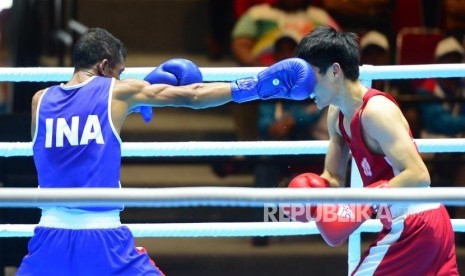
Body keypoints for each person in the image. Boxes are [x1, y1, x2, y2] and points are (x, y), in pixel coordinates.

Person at [16, 27, 317, 275]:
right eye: (119, 73)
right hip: (103, 239)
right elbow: (194, 96)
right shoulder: (117, 91)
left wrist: (127, 109)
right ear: (105, 66)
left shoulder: (39, 101)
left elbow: (75, 137)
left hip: (48, 238)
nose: (121, 80)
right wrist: (257, 85)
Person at [286, 26, 458, 275]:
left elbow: (420, 175)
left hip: (415, 222)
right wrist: (310, 198)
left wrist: (368, 199)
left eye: (311, 77)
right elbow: (333, 178)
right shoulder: (336, 115)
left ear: (335, 71)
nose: (306, 87)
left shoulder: (376, 112)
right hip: (410, 224)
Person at [230, 0, 339, 141]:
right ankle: (248, 152)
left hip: (311, 79)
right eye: (282, 50)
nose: (286, 54)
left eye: (290, 50)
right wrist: (259, 68)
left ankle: (324, 151)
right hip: (265, 76)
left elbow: (339, 48)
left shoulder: (320, 17)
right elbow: (240, 44)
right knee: (244, 87)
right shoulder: (257, 14)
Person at [417, 36, 465, 224]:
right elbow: (440, 122)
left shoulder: (462, 87)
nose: (452, 64)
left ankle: (462, 223)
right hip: (432, 147)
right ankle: (423, 224)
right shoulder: (426, 89)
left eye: (455, 59)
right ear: (438, 62)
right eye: (447, 59)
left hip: (458, 147)